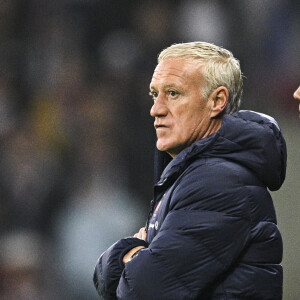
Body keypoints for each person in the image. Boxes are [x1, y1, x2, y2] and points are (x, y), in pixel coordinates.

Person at [93, 42, 287, 299]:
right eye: (155, 94)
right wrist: (135, 256)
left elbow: (141, 290)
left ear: (217, 101)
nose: (156, 109)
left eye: (173, 93)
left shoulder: (218, 182)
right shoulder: (193, 176)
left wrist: (131, 252)